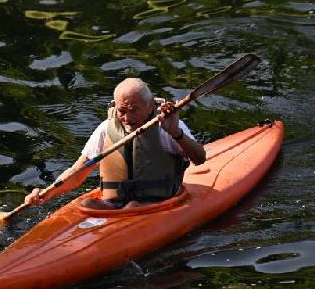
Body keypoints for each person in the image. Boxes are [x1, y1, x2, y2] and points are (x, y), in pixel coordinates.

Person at [24, 77, 206, 210]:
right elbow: (78, 172)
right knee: (86, 203)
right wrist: (45, 195)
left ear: (151, 106)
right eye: (122, 110)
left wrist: (175, 133)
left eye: (134, 110)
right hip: (114, 204)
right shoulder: (106, 129)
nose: (127, 118)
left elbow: (199, 158)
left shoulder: (167, 126)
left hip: (160, 201)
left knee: (134, 205)